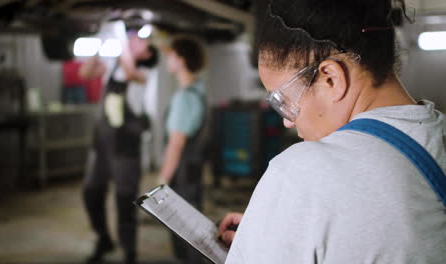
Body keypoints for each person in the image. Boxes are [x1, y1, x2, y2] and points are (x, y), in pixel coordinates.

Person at [218, 0, 445, 263]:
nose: (287, 122)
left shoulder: (301, 173)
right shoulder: (438, 136)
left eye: (284, 101)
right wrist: (284, 229)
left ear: (331, 79)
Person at [80, 31, 158, 264]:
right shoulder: (114, 68)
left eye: (141, 43)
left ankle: (129, 252)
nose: (135, 42)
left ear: (147, 54)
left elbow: (131, 69)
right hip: (101, 147)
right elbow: (85, 73)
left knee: (125, 201)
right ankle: (103, 238)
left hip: (125, 149)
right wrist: (97, 48)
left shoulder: (144, 73)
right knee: (91, 193)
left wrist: (119, 31)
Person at [158, 36, 207, 264]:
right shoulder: (198, 90)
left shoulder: (185, 98)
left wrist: (162, 181)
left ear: (181, 60)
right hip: (193, 172)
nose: (167, 59)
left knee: (186, 237)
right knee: (192, 230)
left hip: (182, 176)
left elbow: (176, 144)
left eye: (171, 55)